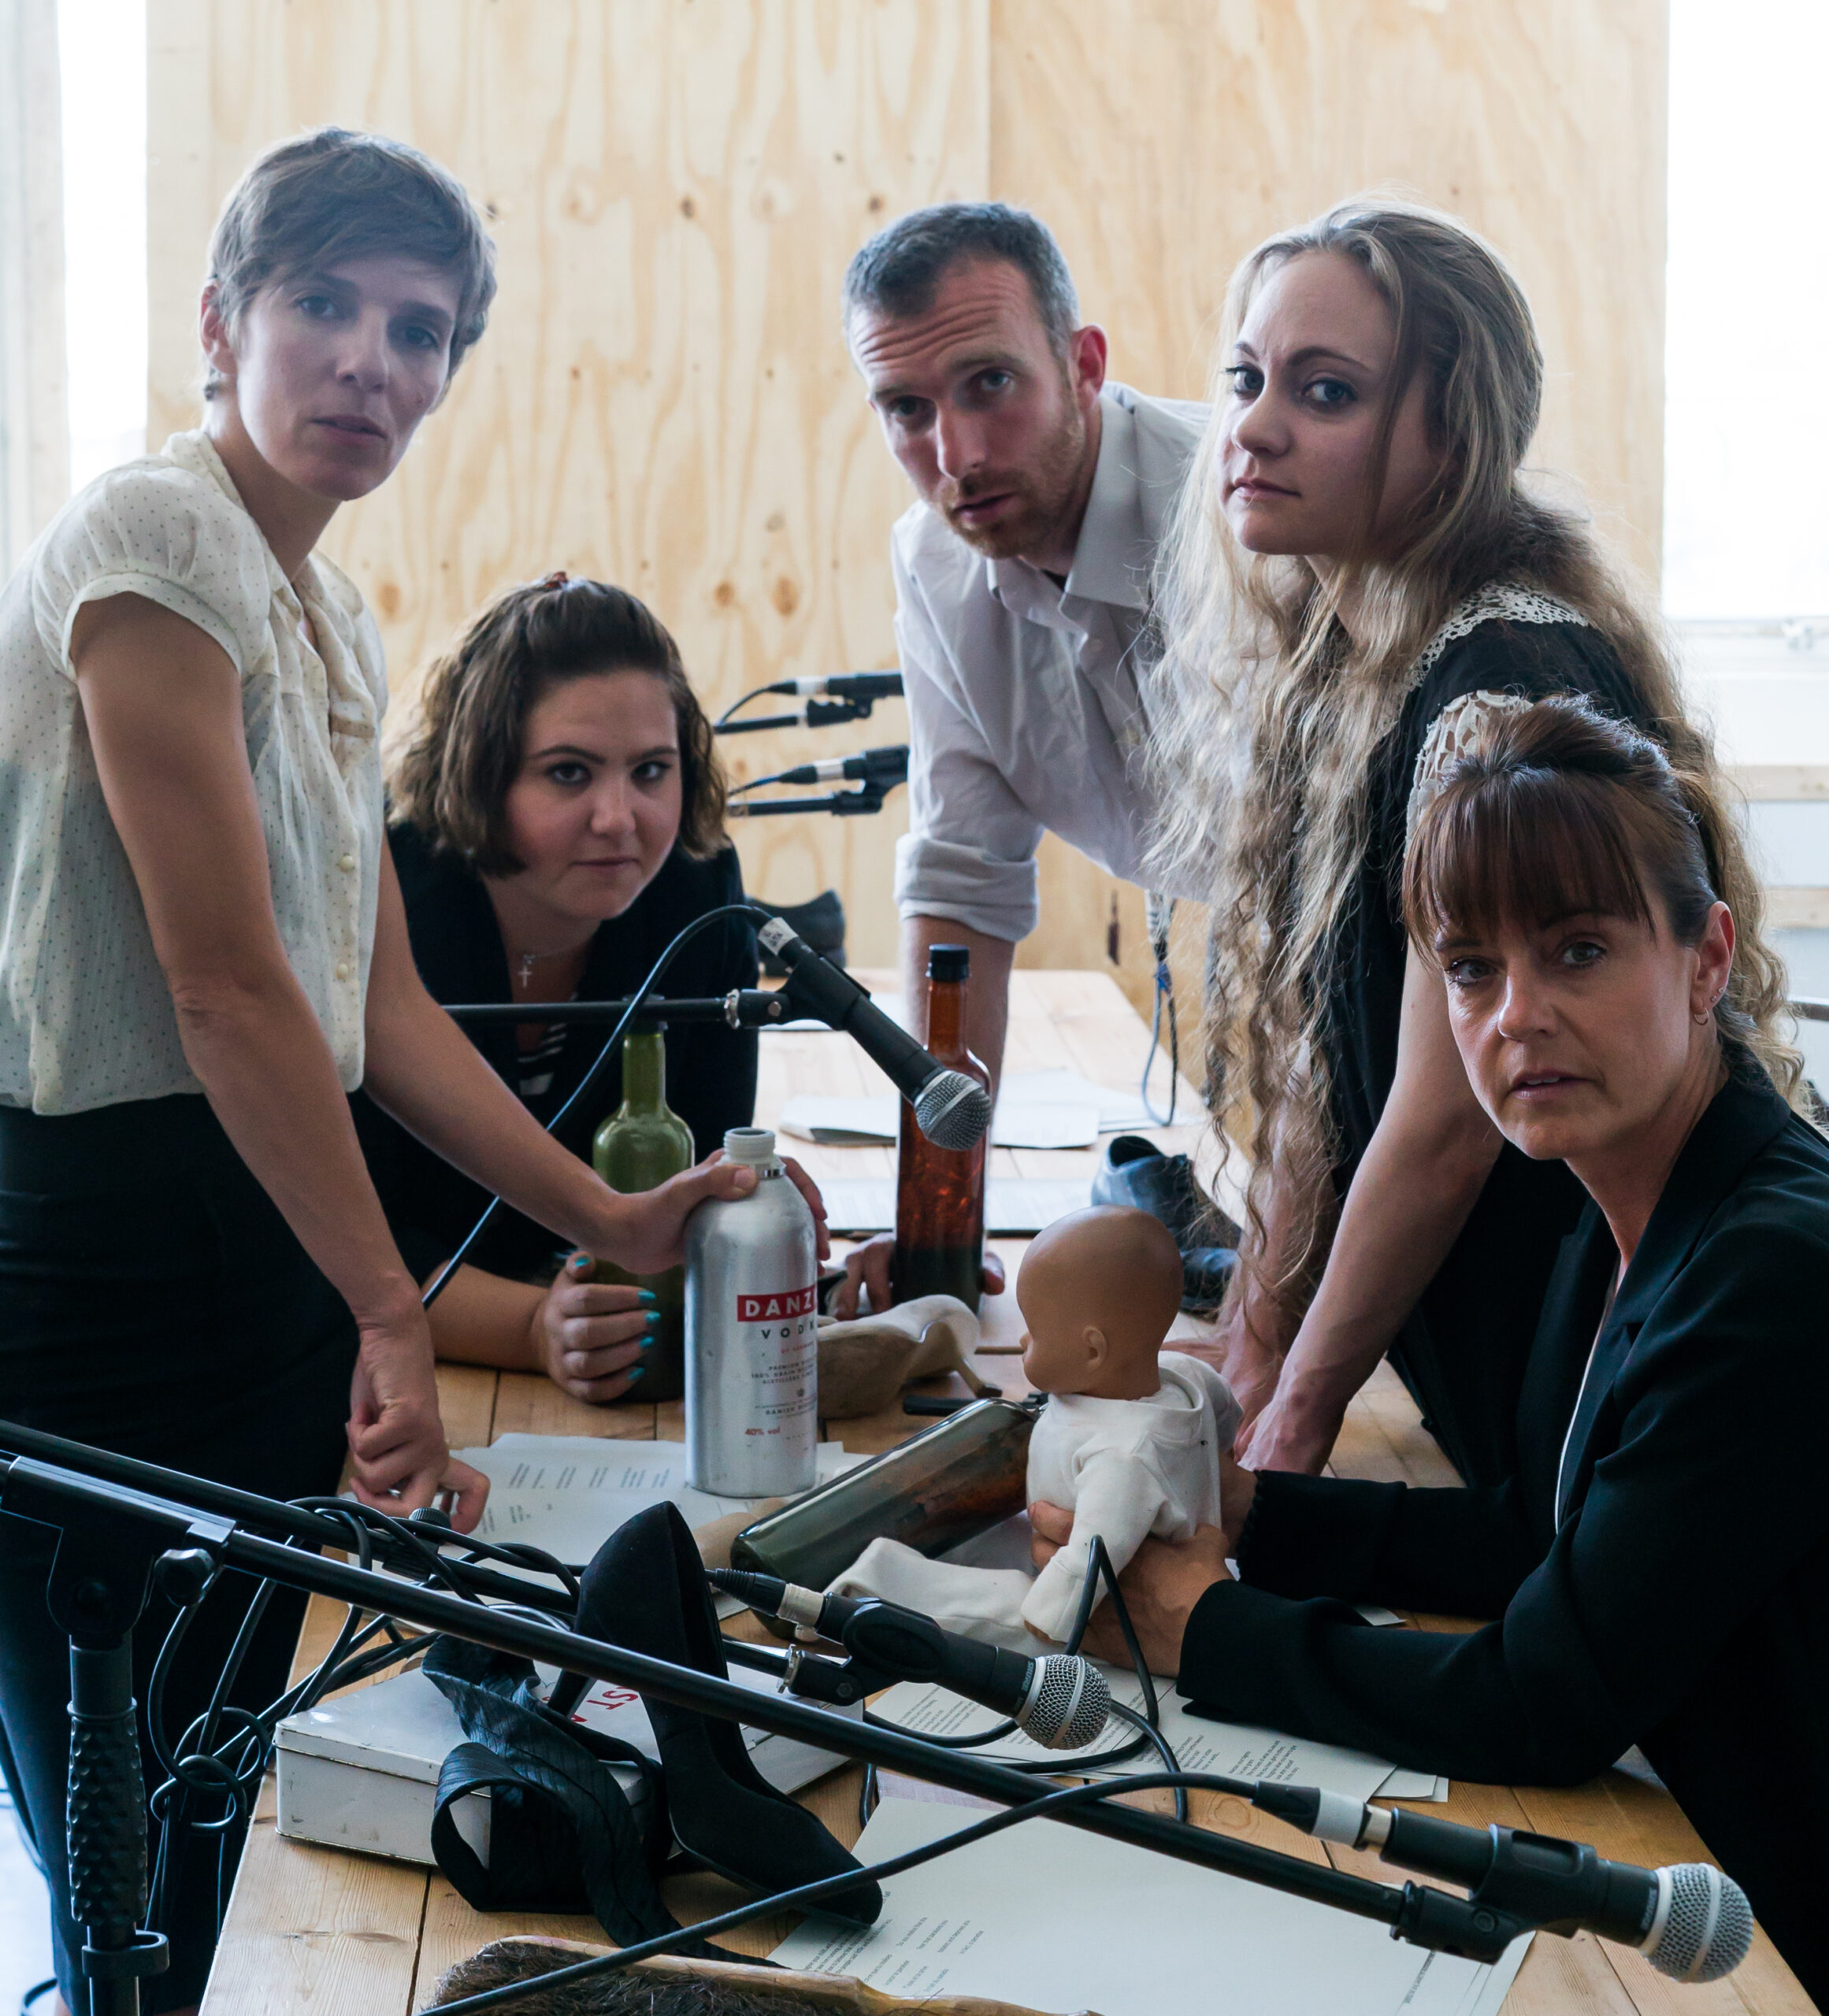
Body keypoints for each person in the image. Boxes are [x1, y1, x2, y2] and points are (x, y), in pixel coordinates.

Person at [0, 129, 815, 2016]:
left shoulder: (331, 612)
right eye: (328, 309)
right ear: (221, 325)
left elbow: (369, 1007)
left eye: (420, 329)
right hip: (101, 1255)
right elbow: (221, 986)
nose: (374, 361)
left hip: (257, 1235)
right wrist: (391, 1307)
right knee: (111, 1829)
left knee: (212, 1793)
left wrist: (606, 1210)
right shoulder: (155, 537)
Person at [1038, 696, 1829, 2000]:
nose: (1514, 1016)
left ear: (1706, 956)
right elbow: (1549, 1535)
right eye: (1470, 969)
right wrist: (1257, 1515)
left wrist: (1206, 1630)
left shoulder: (1772, 1270)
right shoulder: (1622, 1181)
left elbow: (1545, 1704)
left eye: (1577, 952)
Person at [1147, 197, 1797, 1485]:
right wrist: (1249, 1358)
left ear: (1451, 431)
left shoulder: (1497, 678)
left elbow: (1439, 1128)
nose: (1256, 425)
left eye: (1324, 391)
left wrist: (1291, 1427)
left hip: (1595, 1363)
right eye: (1247, 378)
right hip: (1477, 1369)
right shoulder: (1347, 659)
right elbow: (1325, 1085)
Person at [836, 200, 1209, 1314]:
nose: (954, 454)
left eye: (988, 383)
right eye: (906, 409)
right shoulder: (934, 566)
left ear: (1083, 363)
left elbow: (1319, 912)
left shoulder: (1231, 521)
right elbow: (961, 889)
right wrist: (935, 1232)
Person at [357, 573, 759, 1405]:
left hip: (614, 1360)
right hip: (406, 1364)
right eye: (570, 774)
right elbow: (342, 1236)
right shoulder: (388, 897)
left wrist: (762, 1225)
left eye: (651, 770)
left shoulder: (697, 890)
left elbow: (702, 1168)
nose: (620, 817)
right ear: (482, 771)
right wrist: (531, 1328)